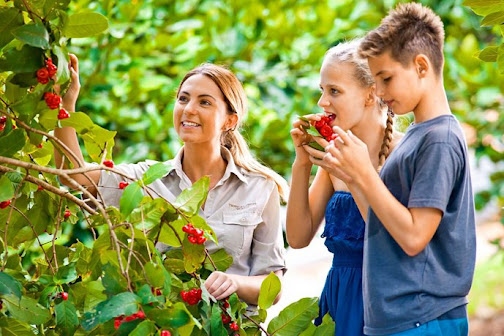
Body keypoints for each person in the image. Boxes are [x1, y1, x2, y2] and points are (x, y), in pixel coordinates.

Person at [54, 54, 289, 307]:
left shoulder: (260, 187)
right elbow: (73, 175)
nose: (189, 109)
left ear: (230, 120)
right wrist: (64, 104)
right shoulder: (146, 180)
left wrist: (235, 283)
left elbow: (272, 287)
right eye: (183, 99)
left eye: (205, 102)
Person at [321, 3, 476, 335]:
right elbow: (383, 224)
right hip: (396, 320)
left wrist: (363, 173)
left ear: (421, 66)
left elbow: (413, 237)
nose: (378, 91)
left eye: (386, 78)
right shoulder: (419, 136)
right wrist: (351, 173)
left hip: (424, 318)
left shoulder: (439, 140)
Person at [286, 39, 401, 336]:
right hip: (341, 298)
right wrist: (302, 165)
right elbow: (297, 238)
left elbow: (392, 243)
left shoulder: (404, 155)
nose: (322, 103)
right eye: (321, 91)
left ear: (371, 93)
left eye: (334, 91)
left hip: (387, 299)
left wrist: (353, 176)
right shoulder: (333, 158)